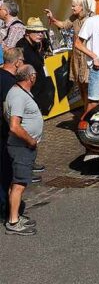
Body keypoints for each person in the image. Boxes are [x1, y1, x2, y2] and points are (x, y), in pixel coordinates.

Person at [3, 65, 43, 236]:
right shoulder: (18, 95)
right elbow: (14, 126)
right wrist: (31, 141)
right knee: (20, 184)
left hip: (21, 146)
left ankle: (15, 214)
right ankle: (13, 222)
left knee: (16, 182)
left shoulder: (17, 91)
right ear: (31, 77)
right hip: (22, 146)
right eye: (34, 75)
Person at [44, 0, 91, 108]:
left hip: (87, 55)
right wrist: (52, 18)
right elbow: (63, 25)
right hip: (77, 55)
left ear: (81, 6)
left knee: (88, 85)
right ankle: (85, 109)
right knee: (80, 84)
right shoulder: (74, 18)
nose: (72, 8)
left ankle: (89, 111)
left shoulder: (92, 18)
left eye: (74, 6)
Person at [0, 48, 24, 215]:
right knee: (5, 172)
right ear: (17, 62)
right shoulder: (9, 84)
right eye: (21, 60)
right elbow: (9, 112)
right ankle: (5, 209)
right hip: (4, 133)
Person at [15, 18, 50, 114]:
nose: (40, 34)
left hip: (38, 86)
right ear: (27, 33)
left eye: (42, 32)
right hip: (30, 88)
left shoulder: (36, 43)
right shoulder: (22, 47)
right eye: (36, 32)